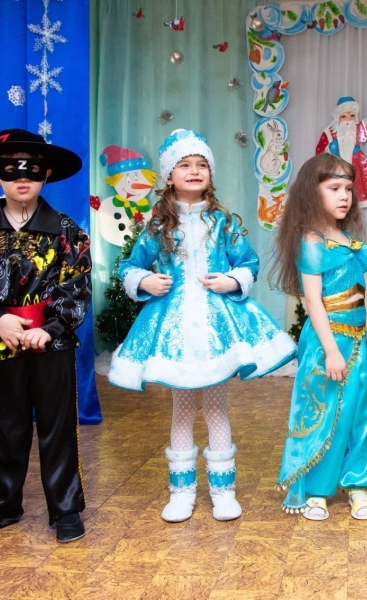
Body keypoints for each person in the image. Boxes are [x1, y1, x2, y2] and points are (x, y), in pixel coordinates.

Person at [108, 129, 295, 523]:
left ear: (210, 173)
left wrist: (233, 280)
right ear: (168, 176)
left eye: (201, 165)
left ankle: (223, 491)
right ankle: (182, 492)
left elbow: (248, 262)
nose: (194, 171)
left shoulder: (222, 221)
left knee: (215, 407)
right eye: (184, 165)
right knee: (181, 409)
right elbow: (129, 265)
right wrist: (144, 280)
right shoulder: (158, 224)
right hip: (175, 329)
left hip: (216, 328)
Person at [0, 128, 91, 543]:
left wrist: (50, 328)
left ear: (46, 174)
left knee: (57, 426)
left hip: (52, 342)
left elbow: (77, 284)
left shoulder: (67, 232)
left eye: (31, 169)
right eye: (11, 169)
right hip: (3, 340)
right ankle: (3, 506)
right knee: (8, 426)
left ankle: (65, 509)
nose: (22, 177)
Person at [272, 152, 367, 520]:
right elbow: (313, 301)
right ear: (312, 193)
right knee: (324, 413)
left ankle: (358, 484)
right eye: (334, 188)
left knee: (357, 413)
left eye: (348, 188)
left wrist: (358, 345)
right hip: (326, 343)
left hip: (356, 342)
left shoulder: (347, 239)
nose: (344, 196)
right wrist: (330, 351)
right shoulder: (311, 241)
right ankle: (316, 490)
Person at [315, 97, 367, 207]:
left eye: (352, 115)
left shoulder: (357, 128)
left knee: (358, 185)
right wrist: (330, 150)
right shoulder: (330, 132)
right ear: (337, 117)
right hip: (337, 164)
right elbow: (319, 151)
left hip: (358, 163)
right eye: (344, 116)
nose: (348, 119)